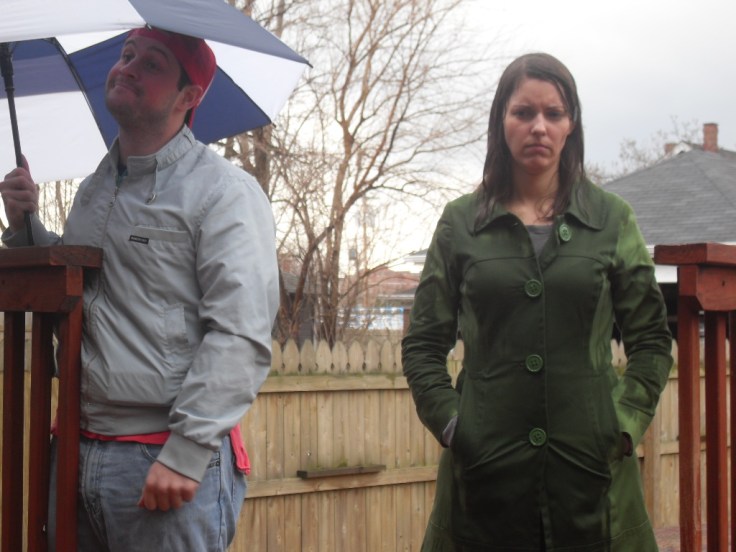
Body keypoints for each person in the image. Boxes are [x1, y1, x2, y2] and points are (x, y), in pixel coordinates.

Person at [0, 27, 279, 551]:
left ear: (189, 96)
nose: (127, 67)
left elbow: (241, 333)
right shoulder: (94, 189)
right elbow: (89, 288)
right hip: (74, 450)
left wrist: (187, 451)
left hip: (161, 461)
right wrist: (25, 227)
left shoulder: (224, 192)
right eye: (127, 55)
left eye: (152, 64)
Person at [402, 52, 673, 551]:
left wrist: (621, 426)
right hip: (485, 482)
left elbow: (652, 340)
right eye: (523, 112)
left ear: (572, 125)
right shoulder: (461, 223)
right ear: (501, 122)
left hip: (592, 481)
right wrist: (455, 424)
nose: (539, 127)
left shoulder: (611, 219)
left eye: (554, 113)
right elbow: (422, 344)